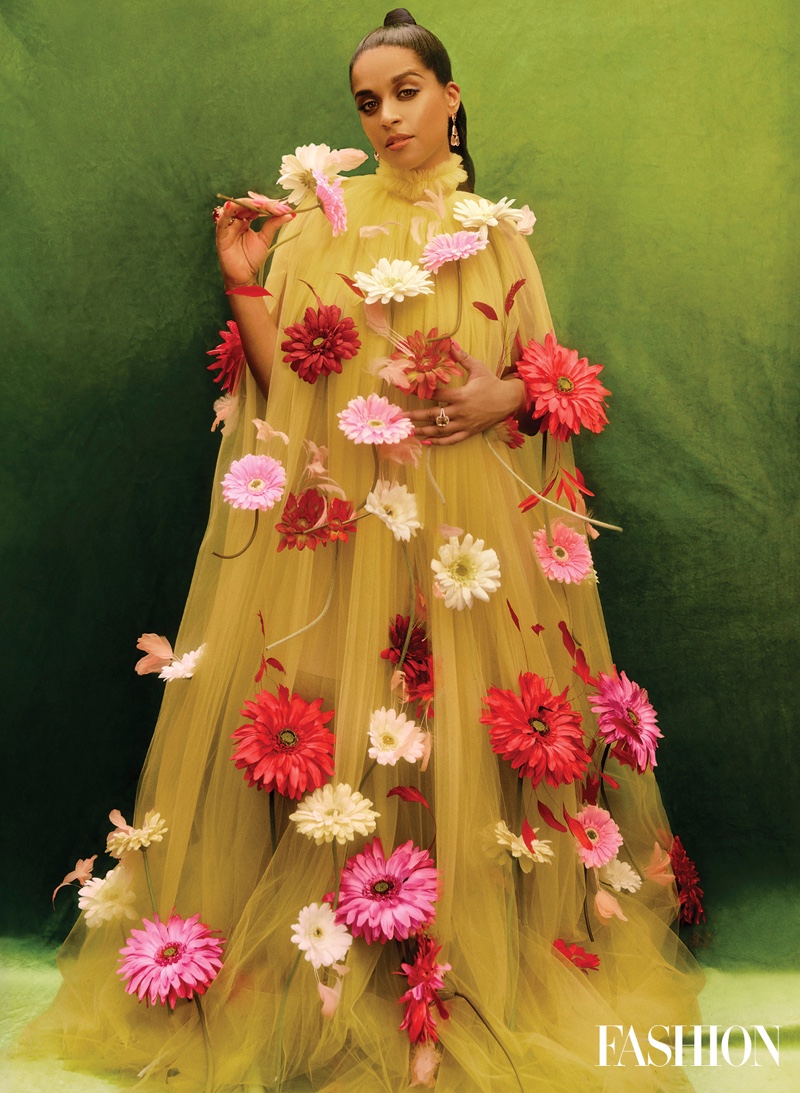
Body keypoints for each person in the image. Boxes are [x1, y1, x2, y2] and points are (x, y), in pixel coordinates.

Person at [25, 8, 703, 1091]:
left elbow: (544, 378)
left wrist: (500, 396)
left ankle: (476, 968)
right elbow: (286, 386)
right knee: (336, 725)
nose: (386, 116)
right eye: (366, 101)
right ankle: (323, 974)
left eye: (405, 92)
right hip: (340, 536)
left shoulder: (492, 230)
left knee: (473, 728)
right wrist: (245, 278)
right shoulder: (314, 223)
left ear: (451, 96)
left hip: (469, 538)